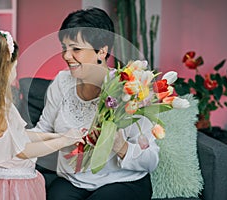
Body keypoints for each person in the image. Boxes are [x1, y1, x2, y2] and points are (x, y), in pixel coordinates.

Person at [32, 7, 160, 200]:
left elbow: (151, 160)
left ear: (101, 51)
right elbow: (43, 129)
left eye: (75, 49)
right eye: (64, 48)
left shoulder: (130, 89)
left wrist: (121, 146)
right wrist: (11, 137)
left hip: (123, 181)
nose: (66, 56)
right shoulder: (61, 82)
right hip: (72, 180)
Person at [0, 30, 84, 200]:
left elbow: (18, 136)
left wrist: (55, 135)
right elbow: (21, 150)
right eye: (14, 67)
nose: (15, 72)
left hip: (22, 180)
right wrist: (62, 141)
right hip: (11, 188)